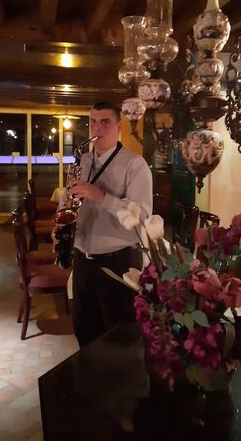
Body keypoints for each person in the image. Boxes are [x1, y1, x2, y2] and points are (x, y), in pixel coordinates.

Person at [57, 102, 152, 347]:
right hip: (82, 261)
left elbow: (142, 216)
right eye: (93, 122)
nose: (97, 128)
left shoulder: (135, 164)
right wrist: (61, 217)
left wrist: (99, 196)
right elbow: (68, 197)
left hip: (118, 263)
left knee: (119, 339)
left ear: (119, 127)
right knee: (85, 334)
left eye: (105, 122)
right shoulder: (83, 160)